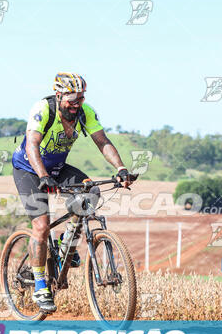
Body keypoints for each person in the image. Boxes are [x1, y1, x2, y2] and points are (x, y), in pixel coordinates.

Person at [12, 72, 134, 313]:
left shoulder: (84, 112)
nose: (77, 104)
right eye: (73, 99)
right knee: (41, 225)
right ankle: (40, 285)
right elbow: (32, 145)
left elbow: (102, 141)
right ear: (59, 95)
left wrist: (120, 168)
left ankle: (67, 244)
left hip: (57, 168)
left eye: (81, 98)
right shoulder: (43, 110)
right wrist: (43, 176)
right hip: (29, 168)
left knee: (91, 194)